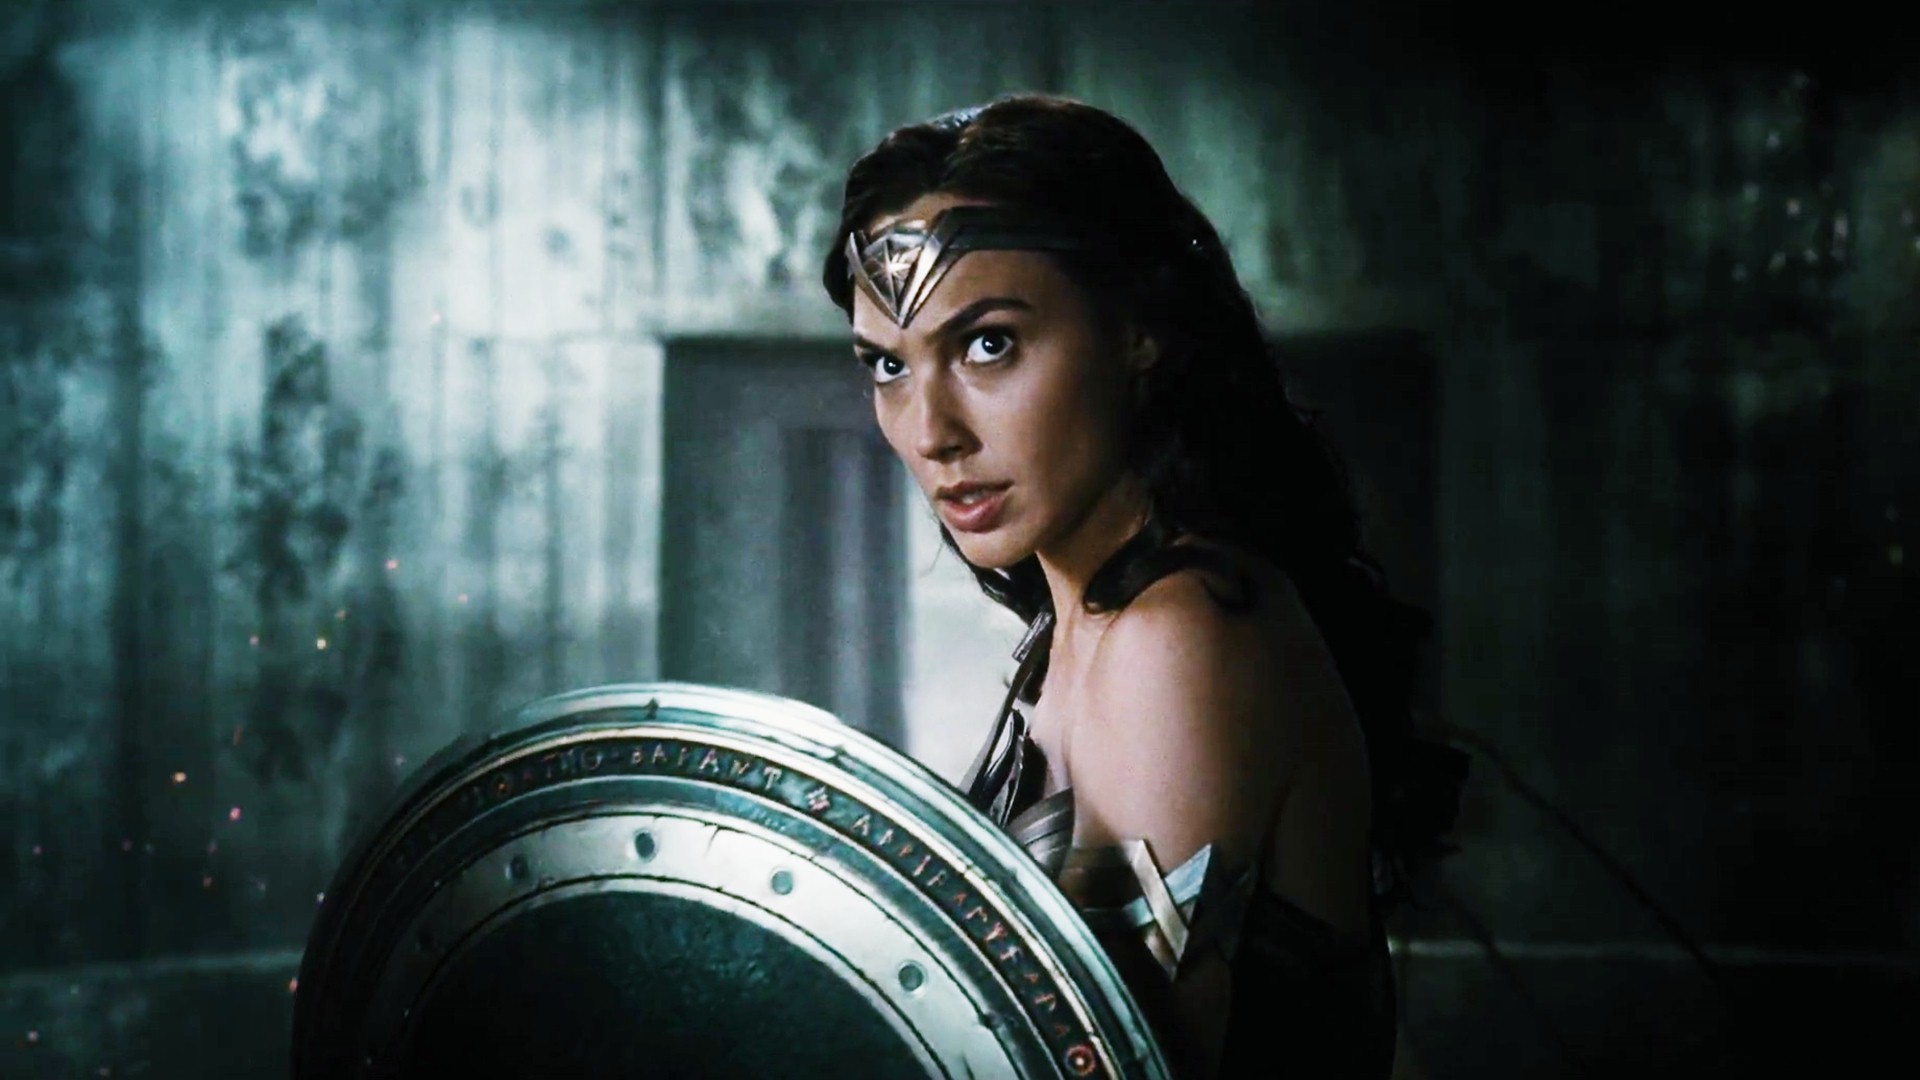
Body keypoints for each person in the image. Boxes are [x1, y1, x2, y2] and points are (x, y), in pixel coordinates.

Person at [820, 94, 1464, 1080]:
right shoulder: (1084, 629)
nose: (930, 431)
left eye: (989, 343)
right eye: (887, 365)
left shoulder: (1181, 632)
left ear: (1140, 329)